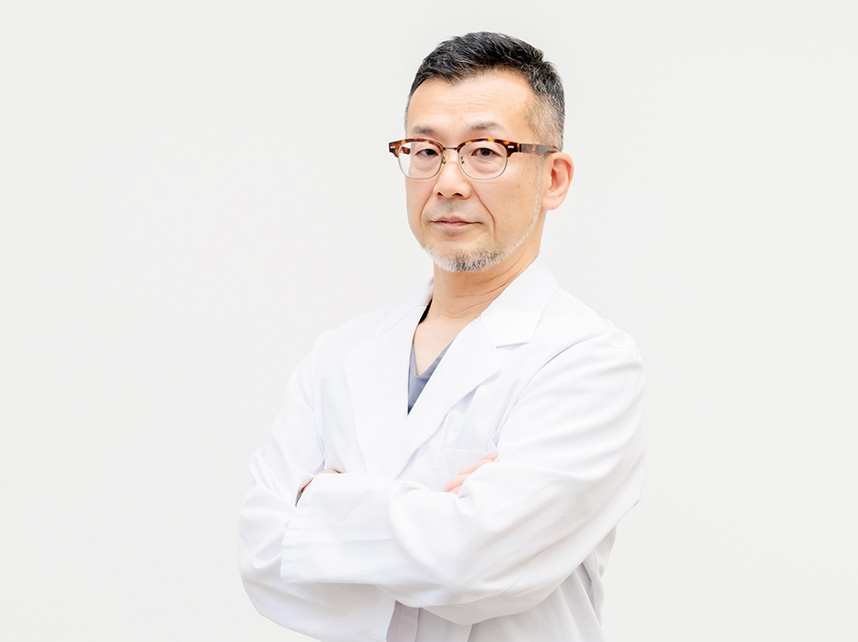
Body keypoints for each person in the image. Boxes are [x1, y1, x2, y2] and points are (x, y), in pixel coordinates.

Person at [239, 31, 645, 642]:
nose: (448, 181)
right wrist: (441, 520)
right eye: (425, 151)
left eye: (485, 151)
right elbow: (263, 557)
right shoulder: (338, 356)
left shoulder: (589, 362)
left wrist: (319, 506)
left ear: (553, 178)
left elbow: (474, 565)